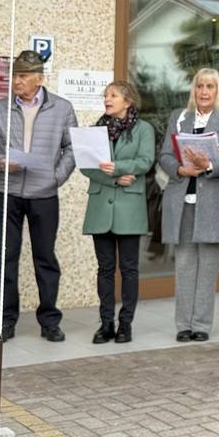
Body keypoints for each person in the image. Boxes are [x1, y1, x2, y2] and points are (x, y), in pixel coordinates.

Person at [0, 50, 78, 342]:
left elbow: (72, 148)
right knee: (6, 257)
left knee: (45, 258)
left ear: (40, 78)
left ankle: (50, 322)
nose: (17, 81)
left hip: (44, 193)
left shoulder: (62, 108)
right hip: (7, 191)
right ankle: (5, 322)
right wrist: (0, 162)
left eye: (23, 76)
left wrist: (56, 177)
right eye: (15, 75)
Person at [159, 67, 219, 343]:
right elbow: (165, 155)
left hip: (213, 204)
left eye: (210, 86)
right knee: (184, 265)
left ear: (218, 91)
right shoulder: (179, 117)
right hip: (182, 202)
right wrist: (181, 170)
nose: (204, 91)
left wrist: (208, 166)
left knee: (207, 267)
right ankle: (183, 325)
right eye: (200, 86)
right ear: (193, 90)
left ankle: (201, 325)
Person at [80, 80, 156, 345]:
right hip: (100, 206)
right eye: (105, 95)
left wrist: (120, 167)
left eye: (113, 95)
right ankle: (106, 324)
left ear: (128, 101)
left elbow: (146, 161)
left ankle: (126, 324)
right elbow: (86, 165)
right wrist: (114, 178)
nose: (107, 99)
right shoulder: (95, 130)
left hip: (130, 209)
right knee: (105, 269)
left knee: (129, 269)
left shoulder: (144, 129)